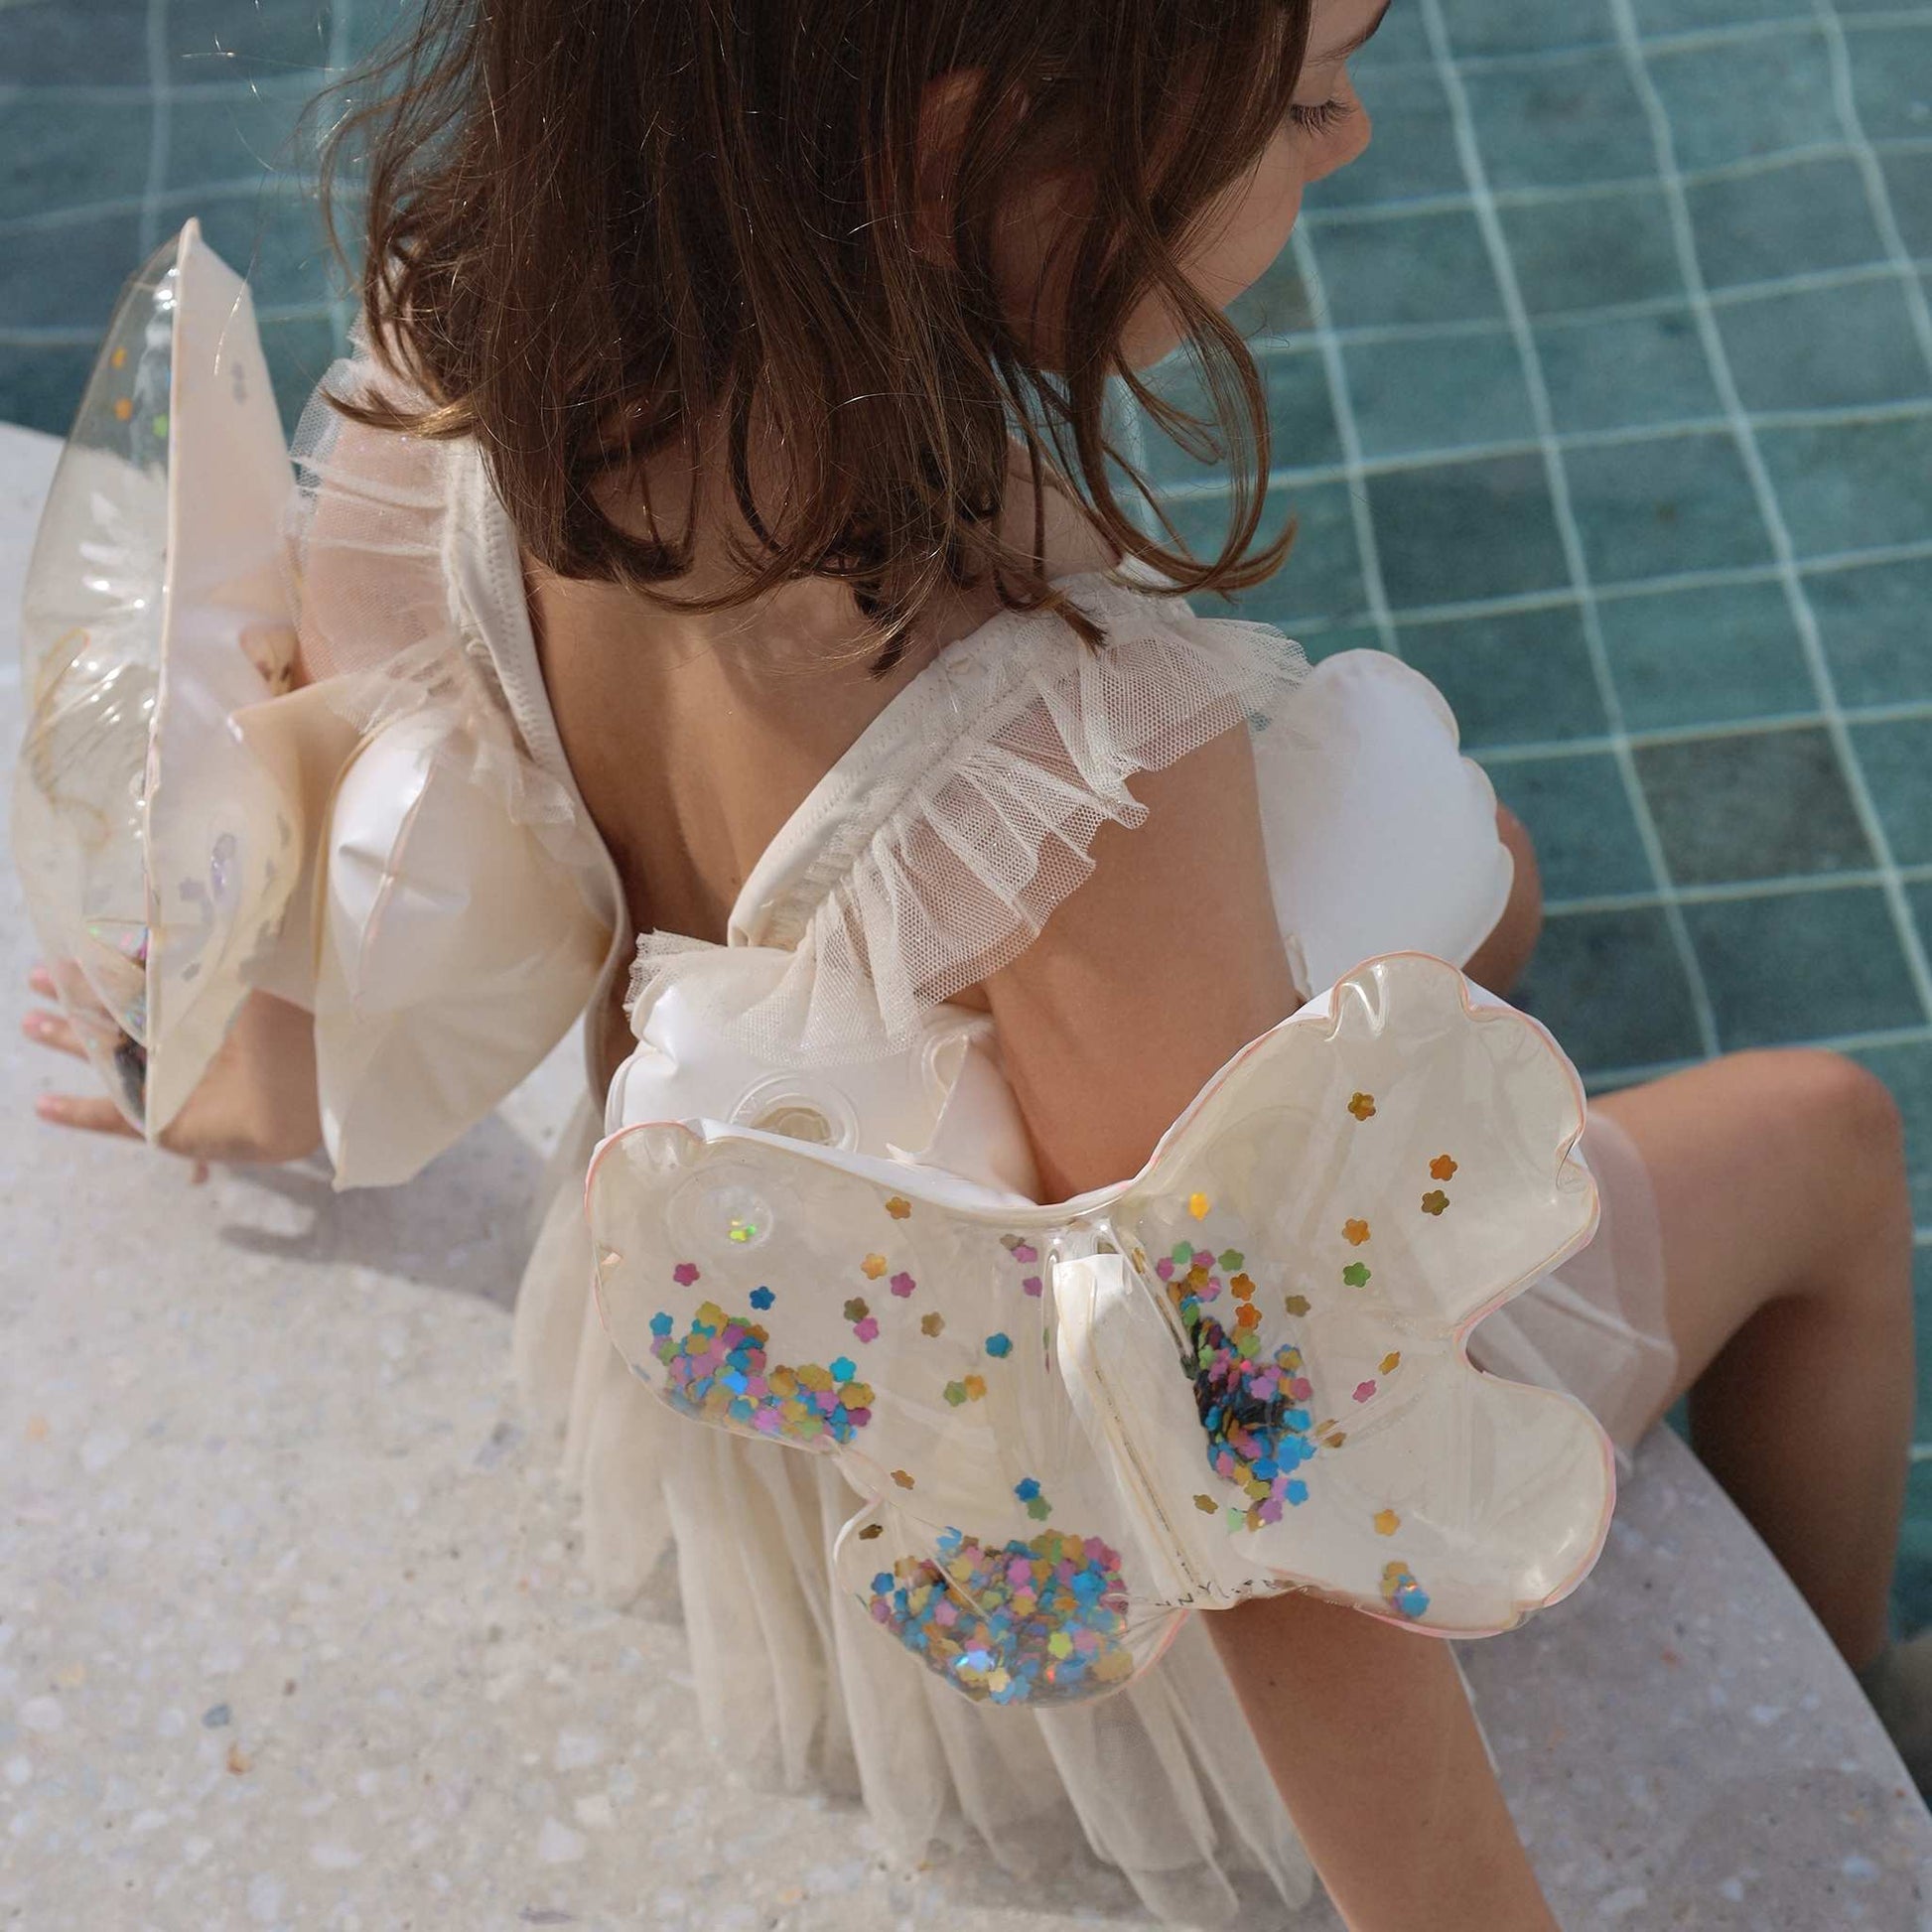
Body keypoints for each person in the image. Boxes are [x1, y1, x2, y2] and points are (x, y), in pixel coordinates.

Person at [21, 1, 1924, 1924]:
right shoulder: (1068, 736)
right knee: (1832, 1141)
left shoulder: (454, 382)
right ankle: (1861, 1712)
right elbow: (1250, 1461)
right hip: (1049, 1594)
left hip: (764, 1435)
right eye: (1305, 94)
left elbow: (357, 816)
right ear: (957, 154)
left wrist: (208, 1078)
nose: (1348, 138)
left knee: (1491, 890)